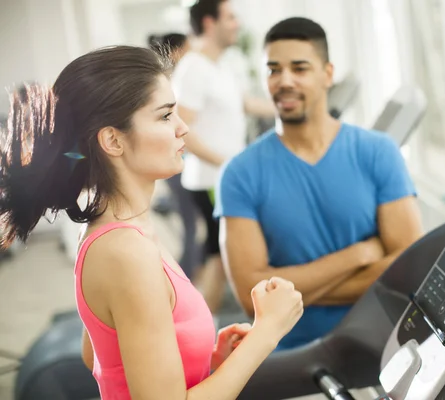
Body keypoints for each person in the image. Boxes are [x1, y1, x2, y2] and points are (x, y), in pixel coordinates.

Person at [0, 45, 303, 399]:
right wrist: (268, 331)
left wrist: (208, 362)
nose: (183, 128)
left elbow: (99, 356)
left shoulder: (117, 230)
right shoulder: (125, 253)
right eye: (165, 116)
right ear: (113, 140)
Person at [214, 17, 424, 350]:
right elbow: (249, 295)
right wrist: (356, 256)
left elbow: (411, 268)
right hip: (293, 352)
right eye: (273, 70)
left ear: (327, 74)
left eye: (299, 68)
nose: (284, 81)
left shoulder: (378, 152)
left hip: (384, 343)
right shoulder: (239, 173)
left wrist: (292, 292)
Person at [171, 0, 274, 318]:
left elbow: (246, 104)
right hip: (212, 180)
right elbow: (181, 131)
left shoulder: (221, 66)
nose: (237, 24)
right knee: (220, 256)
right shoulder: (193, 69)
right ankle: (200, 330)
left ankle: (198, 324)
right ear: (209, 22)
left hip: (224, 177)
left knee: (217, 255)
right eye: (230, 17)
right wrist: (227, 164)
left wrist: (297, 108)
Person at [147, 33, 200, 279]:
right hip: (181, 167)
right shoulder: (171, 86)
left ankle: (190, 273)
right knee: (191, 225)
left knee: (192, 225)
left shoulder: (173, 84)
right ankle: (188, 276)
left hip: (182, 165)